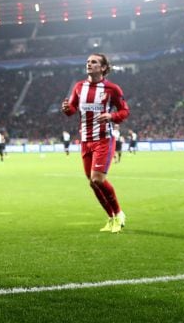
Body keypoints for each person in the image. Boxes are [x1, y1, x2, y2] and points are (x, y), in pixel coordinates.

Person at [61, 53, 130, 234]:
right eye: (88, 62)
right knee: (92, 183)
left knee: (97, 179)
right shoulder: (78, 87)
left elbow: (124, 111)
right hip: (85, 140)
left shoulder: (112, 89)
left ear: (103, 68)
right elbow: (73, 110)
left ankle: (119, 213)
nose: (89, 64)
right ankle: (110, 217)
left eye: (94, 62)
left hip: (103, 139)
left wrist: (111, 116)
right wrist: (67, 109)